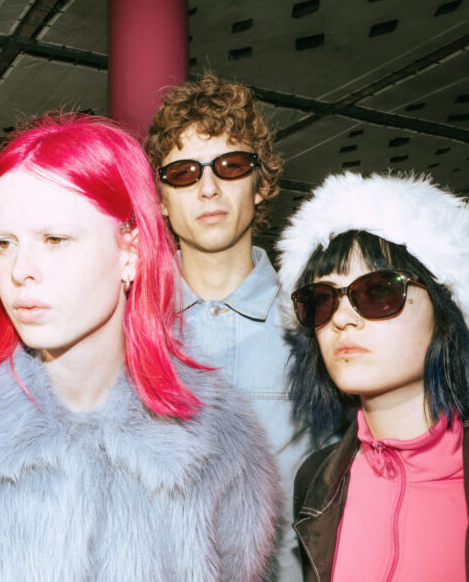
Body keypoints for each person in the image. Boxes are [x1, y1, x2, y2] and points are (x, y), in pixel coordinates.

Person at [0, 114, 280, 581]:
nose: (20, 270)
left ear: (130, 250)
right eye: (4, 243)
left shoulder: (224, 441)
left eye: (54, 239)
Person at [276, 172, 469, 581]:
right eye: (322, 299)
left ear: (448, 310)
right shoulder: (317, 482)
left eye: (378, 291)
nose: (342, 318)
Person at [145, 73, 315, 580]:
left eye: (231, 165)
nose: (208, 188)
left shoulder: (321, 325)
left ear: (261, 184)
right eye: (183, 172)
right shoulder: (121, 329)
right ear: (159, 198)